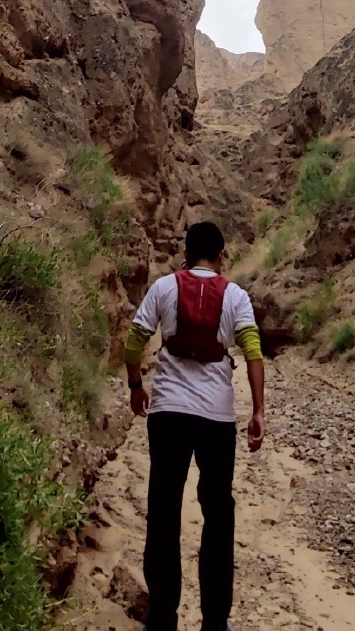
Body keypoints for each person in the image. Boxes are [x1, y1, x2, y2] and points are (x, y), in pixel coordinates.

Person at [122, 221, 265, 631]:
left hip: (168, 413)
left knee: (164, 512)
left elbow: (133, 343)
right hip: (217, 420)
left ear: (186, 255)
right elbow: (252, 351)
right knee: (218, 516)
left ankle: (163, 619)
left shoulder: (164, 287)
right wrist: (258, 411)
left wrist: (136, 386)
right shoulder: (235, 296)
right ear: (221, 257)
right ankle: (215, 622)